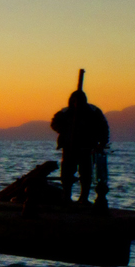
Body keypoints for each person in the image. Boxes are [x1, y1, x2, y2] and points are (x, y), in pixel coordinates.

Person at [49, 71, 109, 206]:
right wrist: (65, 131)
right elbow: (54, 123)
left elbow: (103, 127)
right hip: (69, 146)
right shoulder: (66, 112)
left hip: (86, 147)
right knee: (67, 173)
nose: (77, 104)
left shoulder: (93, 111)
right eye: (75, 101)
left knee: (86, 174)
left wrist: (102, 143)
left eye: (79, 101)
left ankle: (84, 197)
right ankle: (66, 196)